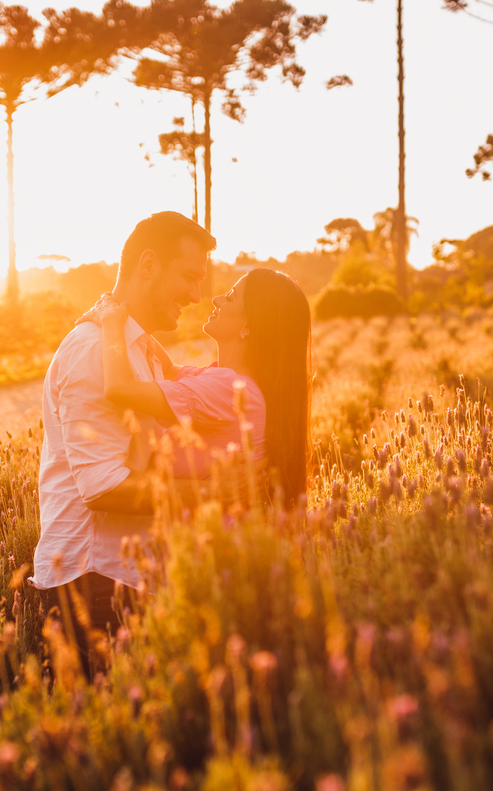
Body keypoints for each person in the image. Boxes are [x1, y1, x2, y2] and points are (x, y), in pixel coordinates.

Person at [32, 211, 215, 678]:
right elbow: (102, 487)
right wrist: (209, 498)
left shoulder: (139, 352)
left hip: (122, 579)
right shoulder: (95, 349)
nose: (196, 296)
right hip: (94, 582)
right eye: (189, 276)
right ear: (148, 264)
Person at [81, 267, 312, 507]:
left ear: (250, 325)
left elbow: (120, 388)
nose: (216, 299)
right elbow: (167, 367)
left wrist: (110, 322)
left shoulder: (231, 389)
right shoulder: (230, 381)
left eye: (230, 296)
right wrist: (123, 309)